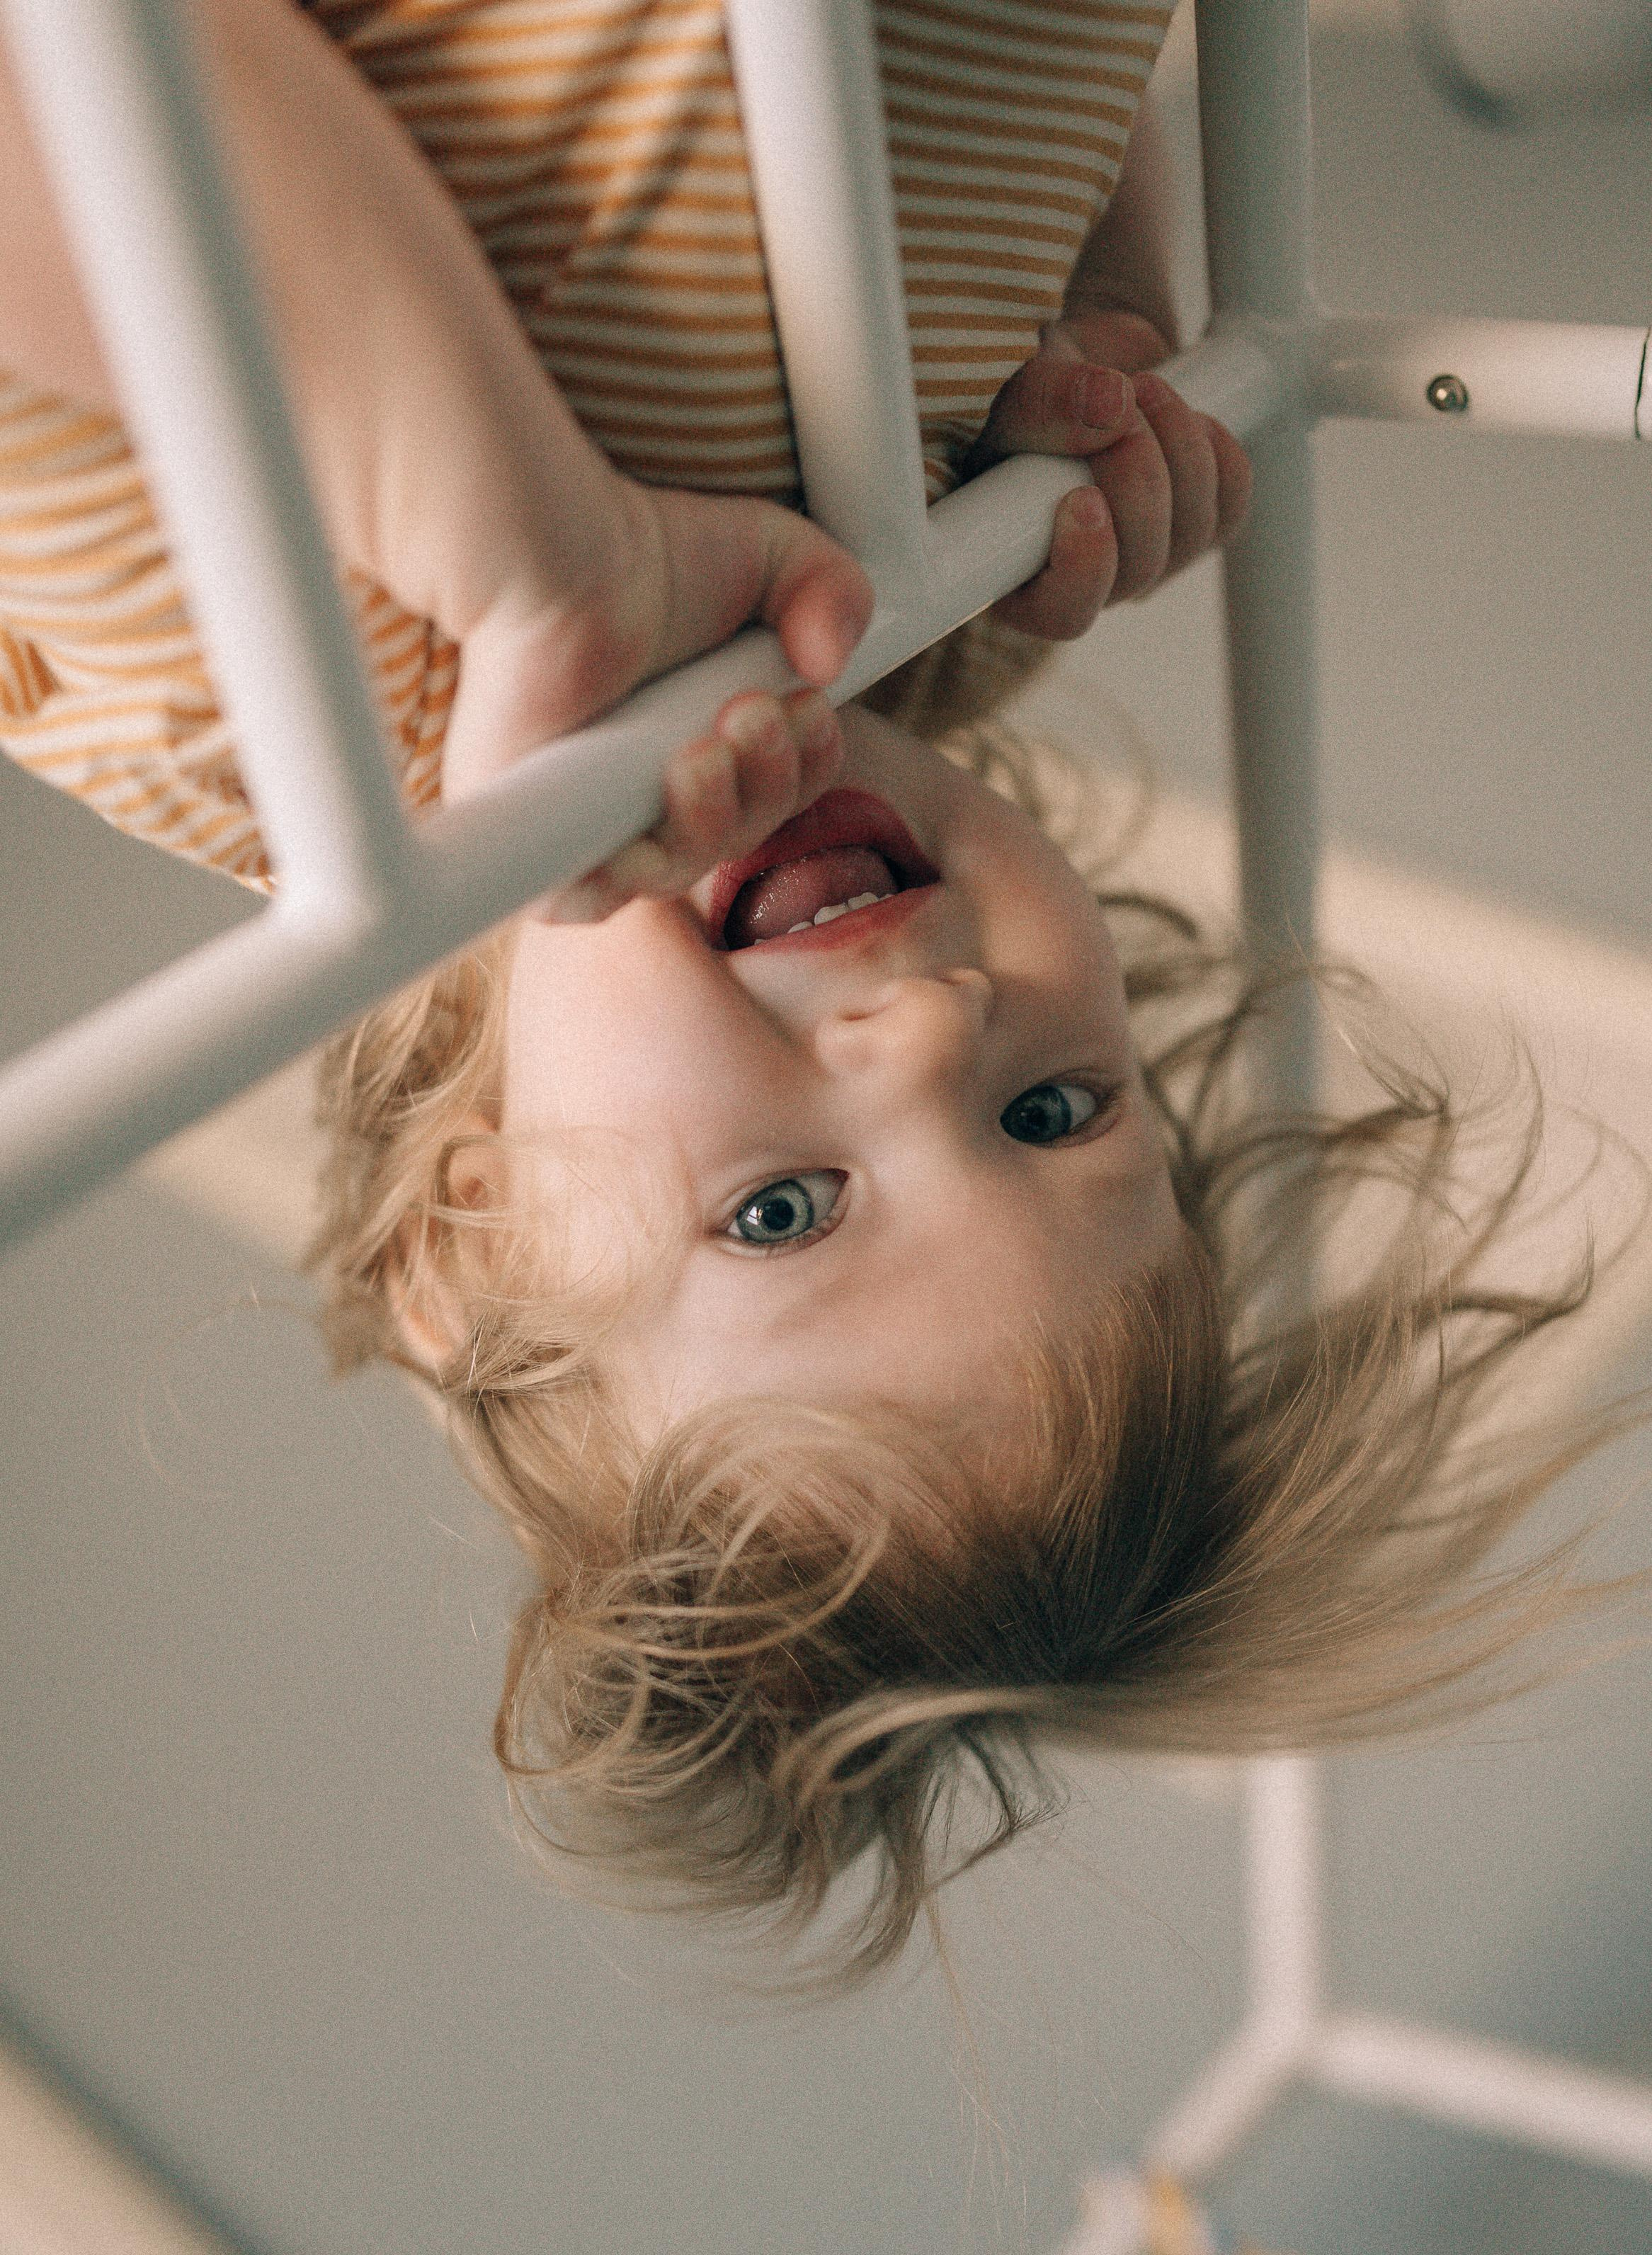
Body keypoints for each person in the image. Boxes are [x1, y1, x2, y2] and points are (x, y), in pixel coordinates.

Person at [0, 2, 1616, 1984]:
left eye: (783, 1212)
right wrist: (1103, 326)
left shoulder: (242, 720)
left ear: (469, 1235)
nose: (935, 1036)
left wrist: (514, 551)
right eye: (1059, 1114)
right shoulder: (949, 620)